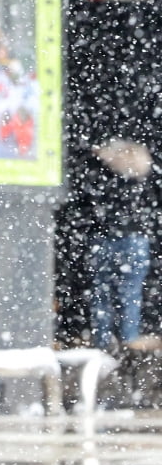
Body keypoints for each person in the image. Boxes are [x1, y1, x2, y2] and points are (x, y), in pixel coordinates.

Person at [74, 137, 156, 352]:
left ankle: (103, 342)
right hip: (133, 238)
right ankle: (129, 339)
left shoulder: (99, 170)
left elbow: (87, 202)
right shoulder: (141, 172)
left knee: (101, 294)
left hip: (105, 237)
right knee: (130, 293)